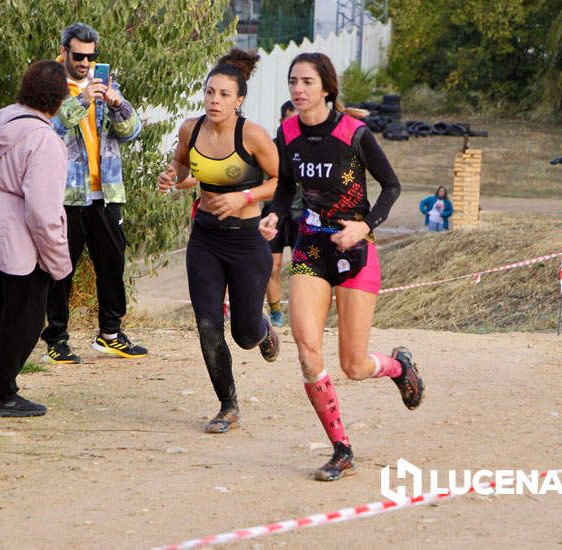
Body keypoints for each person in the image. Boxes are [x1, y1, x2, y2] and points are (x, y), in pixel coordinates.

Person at [259, 52, 424, 481]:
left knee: (353, 365)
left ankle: (398, 367)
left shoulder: (354, 132)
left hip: (354, 251)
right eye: (293, 81)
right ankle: (341, 448)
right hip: (312, 250)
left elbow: (392, 186)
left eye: (307, 82)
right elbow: (286, 187)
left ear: (326, 89)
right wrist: (275, 215)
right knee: (307, 350)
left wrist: (365, 226)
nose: (298, 89)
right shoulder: (287, 132)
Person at [158, 49, 281, 434]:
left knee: (243, 334)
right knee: (208, 324)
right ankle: (228, 405)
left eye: (224, 94)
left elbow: (281, 181)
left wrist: (244, 198)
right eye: (211, 92)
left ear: (239, 100)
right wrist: (170, 175)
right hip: (206, 239)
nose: (215, 100)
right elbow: (180, 163)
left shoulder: (253, 136)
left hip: (246, 242)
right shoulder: (190, 129)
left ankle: (261, 329)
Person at [0, 60, 72, 417]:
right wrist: (59, 263)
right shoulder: (45, 141)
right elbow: (42, 212)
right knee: (24, 320)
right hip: (19, 239)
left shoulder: (0, 120)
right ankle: (2, 392)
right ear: (57, 102)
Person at [40, 22, 146, 363]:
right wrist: (81, 101)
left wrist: (117, 105)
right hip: (67, 195)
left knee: (112, 265)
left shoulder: (105, 83)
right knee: (61, 270)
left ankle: (110, 334)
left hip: (107, 193)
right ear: (65, 51)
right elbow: (48, 130)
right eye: (78, 55)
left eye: (90, 56)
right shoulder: (51, 85)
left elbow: (131, 132)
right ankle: (56, 339)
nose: (85, 62)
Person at [263, 100, 300, 327]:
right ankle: (276, 312)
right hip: (274, 212)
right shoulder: (269, 148)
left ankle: (302, 313)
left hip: (302, 214)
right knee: (272, 267)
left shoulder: (310, 147)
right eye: (289, 121)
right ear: (281, 122)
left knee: (302, 270)